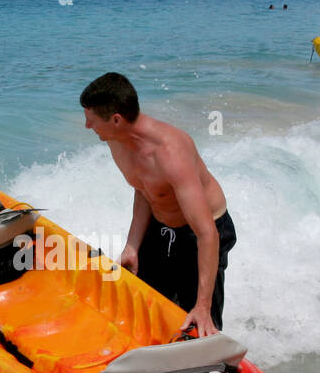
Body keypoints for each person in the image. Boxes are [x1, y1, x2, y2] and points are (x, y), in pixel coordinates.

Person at [80, 72, 235, 337]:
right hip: (158, 227)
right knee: (145, 309)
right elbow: (145, 191)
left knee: (198, 325)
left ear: (116, 119)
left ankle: (210, 363)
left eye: (91, 119)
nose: (87, 126)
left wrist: (203, 305)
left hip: (198, 235)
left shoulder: (170, 153)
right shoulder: (117, 141)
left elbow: (207, 233)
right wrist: (132, 245)